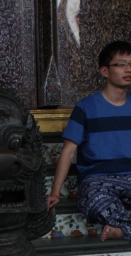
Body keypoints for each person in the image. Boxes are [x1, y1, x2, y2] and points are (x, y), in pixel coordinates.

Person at [47, 40, 131, 242]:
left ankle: (122, 230)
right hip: (98, 179)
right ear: (105, 71)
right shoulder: (86, 107)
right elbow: (68, 151)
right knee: (94, 200)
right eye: (121, 64)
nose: (128, 69)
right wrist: (55, 192)